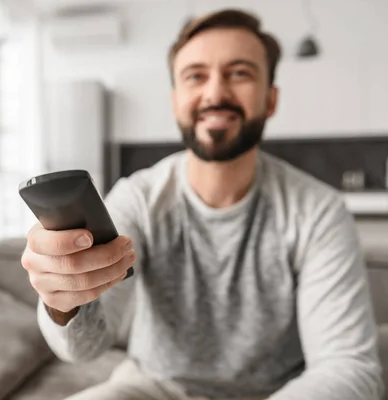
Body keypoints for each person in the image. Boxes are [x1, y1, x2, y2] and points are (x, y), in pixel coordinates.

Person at [20, 8, 384, 400]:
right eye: (196, 76)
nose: (215, 93)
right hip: (153, 388)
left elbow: (349, 369)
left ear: (271, 99)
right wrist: (63, 302)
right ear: (177, 101)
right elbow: (82, 349)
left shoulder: (318, 211)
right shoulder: (139, 199)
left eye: (240, 73)